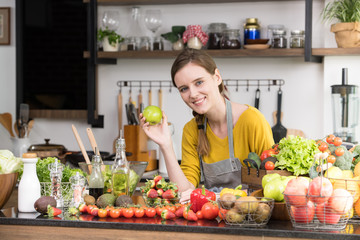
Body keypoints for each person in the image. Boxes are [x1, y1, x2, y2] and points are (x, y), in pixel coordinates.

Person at [140, 48, 274, 202]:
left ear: (217, 77)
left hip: (252, 217)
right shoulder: (191, 131)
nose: (193, 94)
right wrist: (165, 144)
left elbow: (272, 182)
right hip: (212, 219)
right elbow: (185, 192)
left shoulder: (251, 120)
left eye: (199, 82)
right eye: (184, 89)